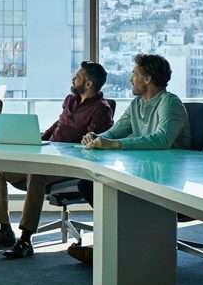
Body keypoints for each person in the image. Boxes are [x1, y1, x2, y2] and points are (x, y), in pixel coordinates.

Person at [0, 61, 113, 258]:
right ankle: (4, 229)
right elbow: (59, 124)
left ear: (88, 84)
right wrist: (37, 140)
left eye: (77, 76)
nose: (73, 79)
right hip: (48, 157)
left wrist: (57, 151)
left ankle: (25, 239)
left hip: (68, 166)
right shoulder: (71, 100)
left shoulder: (102, 109)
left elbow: (91, 146)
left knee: (37, 173)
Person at [68, 53, 191, 264]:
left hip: (168, 177)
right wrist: (96, 138)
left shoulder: (169, 103)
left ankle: (110, 250)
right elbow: (115, 132)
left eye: (134, 74)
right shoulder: (137, 104)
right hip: (145, 169)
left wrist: (115, 145)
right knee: (89, 185)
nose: (130, 79)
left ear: (147, 79)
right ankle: (115, 245)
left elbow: (161, 140)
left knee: (114, 191)